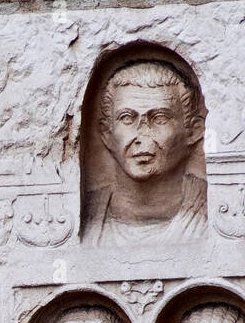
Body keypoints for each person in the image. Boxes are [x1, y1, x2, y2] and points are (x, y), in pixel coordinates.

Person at [83, 60, 207, 246]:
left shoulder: (217, 209)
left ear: (193, 131)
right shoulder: (84, 215)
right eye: (127, 118)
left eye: (159, 118)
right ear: (107, 134)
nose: (142, 135)